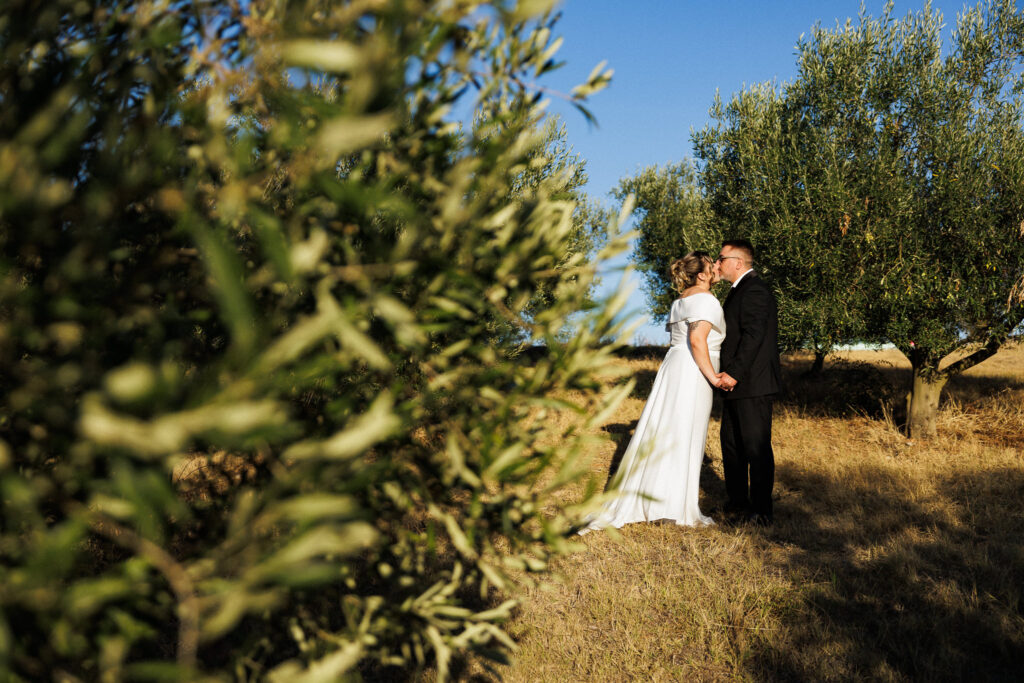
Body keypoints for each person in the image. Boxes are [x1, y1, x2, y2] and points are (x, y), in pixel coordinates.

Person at [581, 251, 728, 533]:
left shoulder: (681, 300)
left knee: (668, 432)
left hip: (674, 368)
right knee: (684, 432)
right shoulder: (705, 299)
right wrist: (714, 378)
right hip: (692, 372)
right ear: (701, 274)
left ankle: (660, 501)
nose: (716, 269)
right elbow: (697, 340)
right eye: (712, 266)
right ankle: (672, 506)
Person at [715, 239, 781, 527]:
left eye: (721, 258)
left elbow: (753, 336)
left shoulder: (754, 289)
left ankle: (762, 511)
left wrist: (734, 373)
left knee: (756, 447)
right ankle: (737, 503)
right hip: (735, 384)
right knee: (731, 446)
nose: (717, 264)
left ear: (738, 262)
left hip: (752, 383)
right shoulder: (737, 291)